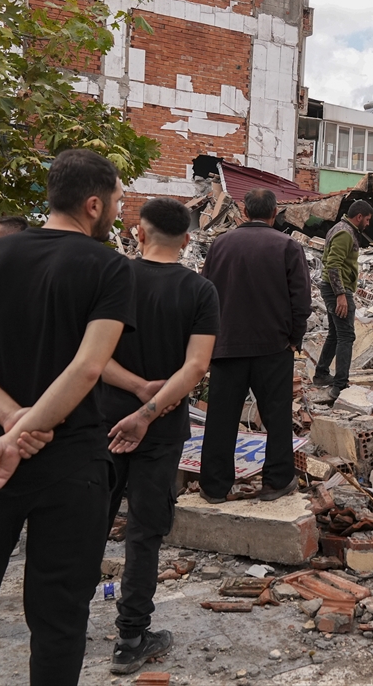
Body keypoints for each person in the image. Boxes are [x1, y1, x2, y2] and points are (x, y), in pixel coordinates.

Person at [0, 149, 136, 685]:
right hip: (70, 465)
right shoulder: (109, 267)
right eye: (117, 200)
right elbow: (88, 368)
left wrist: (8, 422)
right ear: (93, 204)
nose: (119, 210)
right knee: (59, 615)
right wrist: (23, 432)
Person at [99, 198, 218, 673]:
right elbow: (196, 367)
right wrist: (149, 411)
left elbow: (89, 356)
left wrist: (130, 390)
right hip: (162, 428)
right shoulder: (200, 291)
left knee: (88, 523)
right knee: (145, 533)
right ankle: (131, 638)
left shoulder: (113, 279)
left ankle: (58, 625)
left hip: (103, 423)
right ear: (188, 240)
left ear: (140, 234)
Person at [199, 188, 309, 503]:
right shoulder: (287, 246)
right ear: (275, 213)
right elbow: (301, 300)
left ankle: (214, 486)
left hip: (226, 346)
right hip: (273, 347)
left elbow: (206, 293)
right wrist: (293, 339)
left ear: (244, 213)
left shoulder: (220, 244)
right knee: (276, 417)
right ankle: (275, 482)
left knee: (221, 417)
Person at [315, 200, 373, 400]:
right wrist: (341, 295)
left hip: (333, 288)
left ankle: (322, 374)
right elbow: (333, 265)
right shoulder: (345, 234)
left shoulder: (339, 229)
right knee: (346, 336)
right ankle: (340, 386)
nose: (367, 223)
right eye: (367, 219)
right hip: (337, 290)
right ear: (359, 217)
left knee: (335, 333)